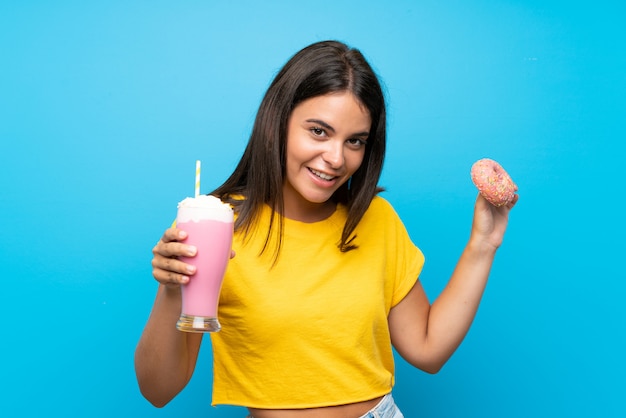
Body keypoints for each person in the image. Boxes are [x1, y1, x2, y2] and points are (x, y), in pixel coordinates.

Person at [134, 40, 518, 418]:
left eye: (354, 141)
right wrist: (172, 288)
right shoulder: (213, 225)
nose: (336, 158)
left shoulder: (375, 219)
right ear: (276, 123)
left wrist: (484, 242)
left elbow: (428, 349)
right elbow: (158, 391)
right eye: (318, 131)